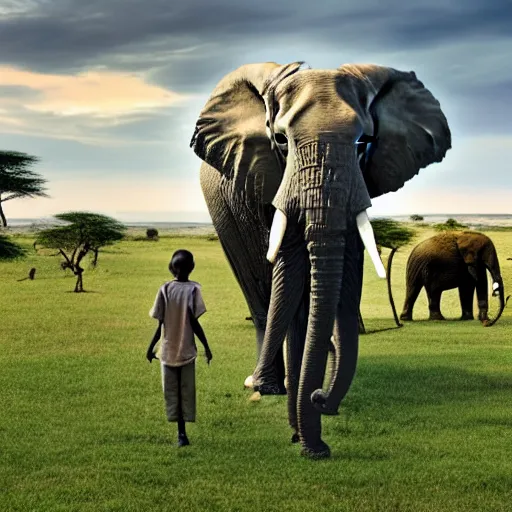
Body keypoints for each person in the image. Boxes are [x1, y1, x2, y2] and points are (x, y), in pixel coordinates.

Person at [147, 249, 212, 447]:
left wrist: (150, 348)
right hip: (186, 351)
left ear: (171, 267)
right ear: (192, 267)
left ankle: (180, 433)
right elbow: (194, 323)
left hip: (166, 351)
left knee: (172, 393)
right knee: (186, 392)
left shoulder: (164, 290)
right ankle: (183, 434)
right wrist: (207, 347)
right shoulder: (193, 290)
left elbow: (160, 324)